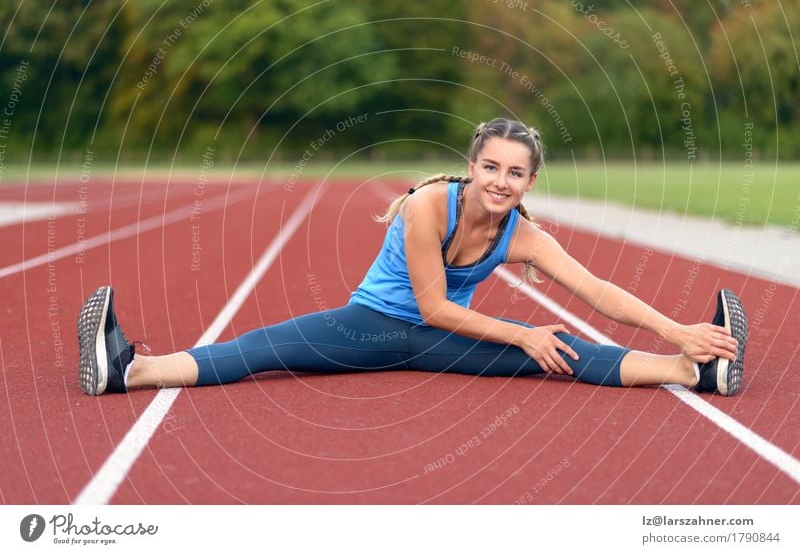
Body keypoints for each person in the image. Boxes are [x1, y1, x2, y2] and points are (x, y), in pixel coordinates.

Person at [77, 117, 747, 397]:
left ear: (531, 182)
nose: (501, 181)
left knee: (562, 348)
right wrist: (521, 332)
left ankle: (692, 369)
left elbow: (598, 289)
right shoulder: (429, 204)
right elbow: (429, 305)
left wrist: (675, 327)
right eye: (491, 166)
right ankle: (130, 369)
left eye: (516, 173)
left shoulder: (525, 234)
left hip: (440, 343)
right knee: (262, 347)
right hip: (370, 326)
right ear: (471, 165)